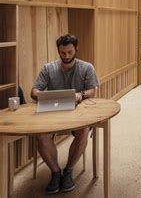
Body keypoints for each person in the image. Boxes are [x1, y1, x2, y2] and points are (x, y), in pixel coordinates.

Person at [30, 34, 99, 195]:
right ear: (59, 51)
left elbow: (92, 91)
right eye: (62, 53)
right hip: (52, 114)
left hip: (78, 114)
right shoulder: (48, 68)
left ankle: (68, 171)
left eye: (69, 52)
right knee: (41, 135)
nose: (66, 56)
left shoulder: (87, 67)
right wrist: (40, 95)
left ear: (76, 49)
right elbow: (34, 91)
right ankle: (55, 172)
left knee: (83, 131)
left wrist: (80, 95)